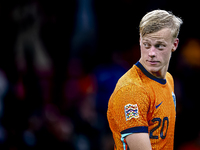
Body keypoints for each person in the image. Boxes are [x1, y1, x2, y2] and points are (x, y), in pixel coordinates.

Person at [107, 10, 183, 150]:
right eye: (147, 45)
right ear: (140, 41)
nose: (152, 53)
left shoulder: (168, 80)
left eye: (159, 45)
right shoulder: (131, 90)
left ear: (174, 44)